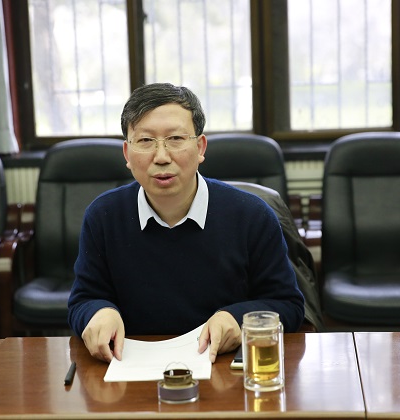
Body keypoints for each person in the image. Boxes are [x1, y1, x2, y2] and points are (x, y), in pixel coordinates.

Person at [68, 82, 304, 363]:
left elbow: (288, 305)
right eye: (145, 141)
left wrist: (237, 318)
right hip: (130, 367)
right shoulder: (103, 216)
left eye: (176, 139)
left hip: (223, 368)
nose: (162, 157)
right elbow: (82, 300)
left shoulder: (252, 216)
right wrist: (98, 312)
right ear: (127, 154)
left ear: (200, 147)